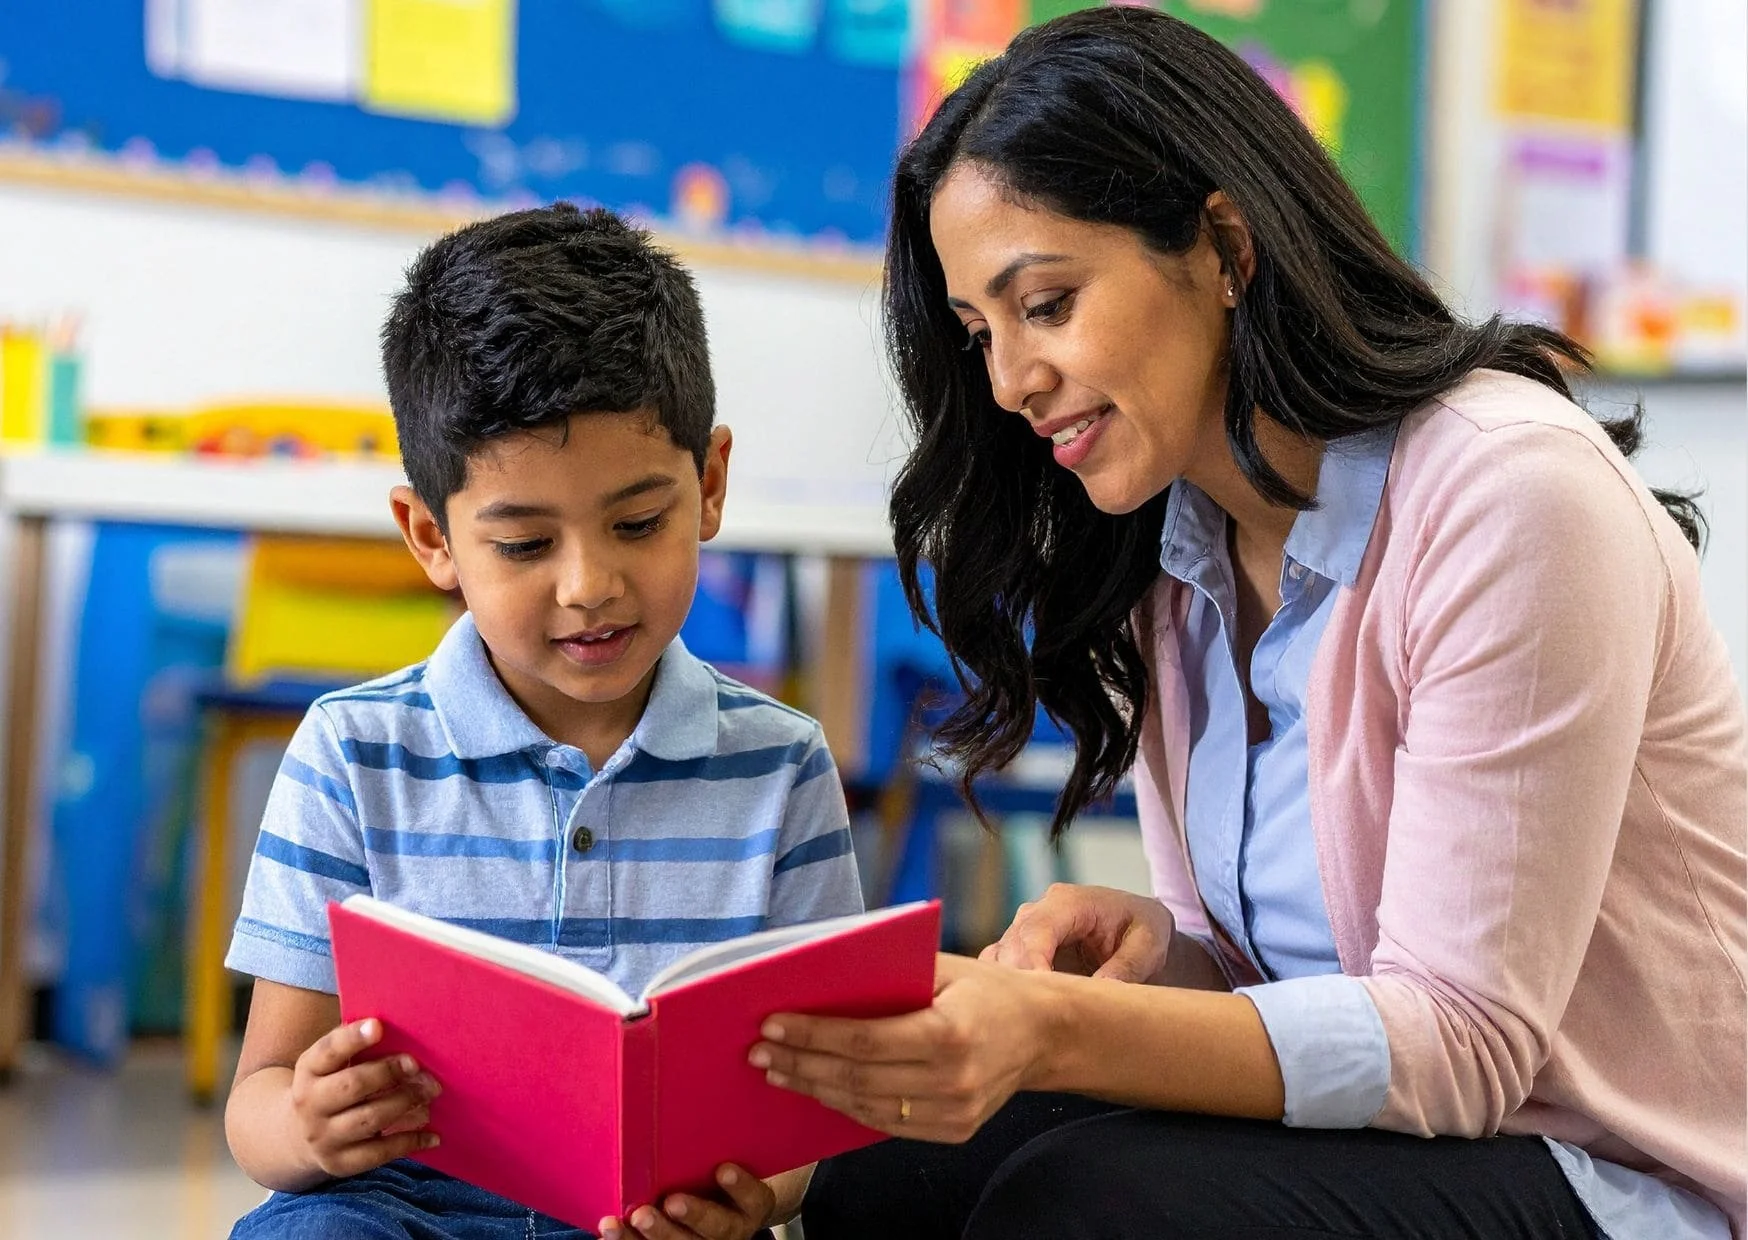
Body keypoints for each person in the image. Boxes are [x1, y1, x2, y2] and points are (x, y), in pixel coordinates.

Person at [753, 10, 1747, 1240]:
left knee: (1089, 1207)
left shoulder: (1508, 492)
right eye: (979, 335)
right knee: (884, 1167)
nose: (1007, 382)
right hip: (1396, 1144)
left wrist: (1058, 1027)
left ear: (1224, 247)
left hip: (1613, 1171)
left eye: (1046, 304)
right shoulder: (1174, 549)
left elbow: (1461, 1044)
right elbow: (1275, 988)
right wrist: (1159, 955)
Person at [222, 203, 862, 1240]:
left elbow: (809, 1112)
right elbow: (260, 1097)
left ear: (709, 485)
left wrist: (754, 1193)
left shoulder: (779, 765)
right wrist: (308, 1125)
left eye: (638, 523)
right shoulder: (354, 753)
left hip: (654, 1210)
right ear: (431, 537)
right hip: (409, 1202)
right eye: (524, 545)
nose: (588, 586)